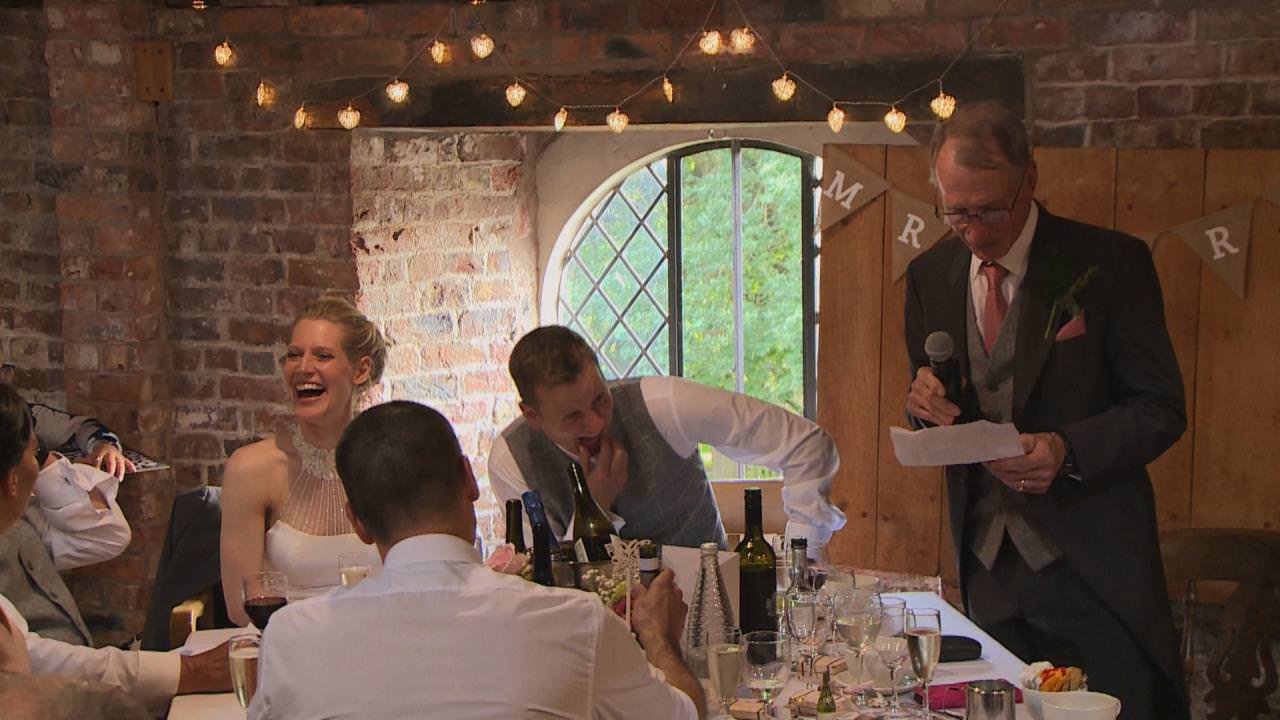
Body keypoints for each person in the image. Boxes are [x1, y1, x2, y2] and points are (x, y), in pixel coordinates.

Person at [903, 101, 1188, 719]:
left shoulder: (1109, 265)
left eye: (990, 210)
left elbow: (1161, 407)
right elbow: (939, 392)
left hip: (1094, 568)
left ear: (1030, 180)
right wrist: (922, 403)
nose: (973, 230)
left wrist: (1068, 449)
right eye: (956, 211)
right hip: (987, 572)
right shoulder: (929, 276)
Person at [249, 400, 704, 720]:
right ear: (469, 480)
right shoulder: (574, 623)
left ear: (359, 522)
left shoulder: (291, 639)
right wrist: (660, 637)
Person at [489, 325, 844, 555]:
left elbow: (808, 445)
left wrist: (804, 557)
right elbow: (547, 585)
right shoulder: (512, 461)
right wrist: (594, 506)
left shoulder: (665, 405)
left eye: (600, 398)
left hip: (715, 619)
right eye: (573, 417)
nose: (597, 422)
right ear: (532, 415)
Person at [0, 382, 231, 711]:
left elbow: (106, 536)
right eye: (33, 453)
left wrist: (46, 459)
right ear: (11, 479)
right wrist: (188, 671)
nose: (39, 463)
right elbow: (36, 661)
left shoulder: (23, 520)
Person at [220, 296, 387, 626]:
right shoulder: (251, 469)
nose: (302, 368)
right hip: (288, 649)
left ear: (361, 370)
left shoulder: (391, 462)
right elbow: (240, 608)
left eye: (322, 356)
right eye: (294, 355)